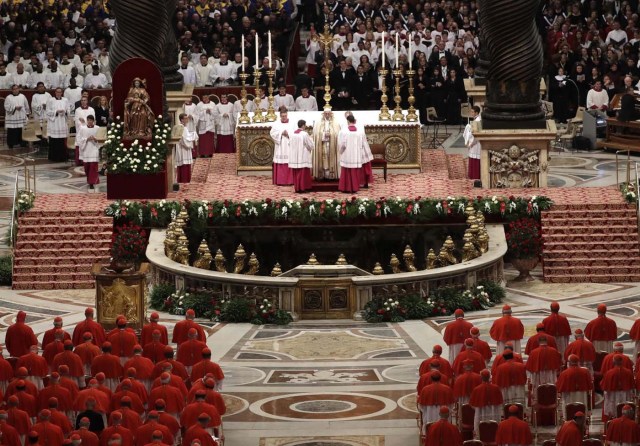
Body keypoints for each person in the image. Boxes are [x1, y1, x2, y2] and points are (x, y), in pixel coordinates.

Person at [601, 354, 635, 422]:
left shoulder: (609, 373)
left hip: (613, 397)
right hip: (625, 396)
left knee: (613, 413)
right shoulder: (628, 372)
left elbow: (605, 389)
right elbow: (632, 388)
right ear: (622, 362)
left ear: (613, 362)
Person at [338, 114, 367, 193]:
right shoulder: (360, 131)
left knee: (346, 171)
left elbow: (342, 144)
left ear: (347, 121)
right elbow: (362, 144)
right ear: (354, 121)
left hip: (347, 154)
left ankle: (345, 188)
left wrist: (340, 152)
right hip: (356, 155)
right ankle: (354, 187)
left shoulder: (343, 131)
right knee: (355, 171)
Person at [469, 369, 503, 435]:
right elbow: (500, 403)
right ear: (490, 377)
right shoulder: (496, 388)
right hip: (494, 413)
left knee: (481, 430)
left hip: (480, 413)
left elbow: (472, 405)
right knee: (494, 428)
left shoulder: (477, 389)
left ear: (481, 377)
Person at [312, 110, 341, 180]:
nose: (327, 115)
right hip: (322, 144)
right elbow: (316, 134)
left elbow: (338, 134)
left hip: (332, 144)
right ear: (323, 114)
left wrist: (331, 134)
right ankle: (322, 174)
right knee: (323, 158)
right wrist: (323, 134)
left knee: (330, 157)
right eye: (326, 113)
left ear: (331, 114)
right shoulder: (318, 123)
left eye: (329, 113)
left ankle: (332, 175)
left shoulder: (335, 123)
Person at [287, 119, 315, 193]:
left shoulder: (292, 133)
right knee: (303, 173)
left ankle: (297, 188)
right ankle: (302, 188)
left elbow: (289, 143)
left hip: (294, 157)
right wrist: (312, 139)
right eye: (305, 125)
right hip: (302, 156)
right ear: (303, 125)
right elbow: (310, 145)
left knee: (296, 173)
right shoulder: (304, 134)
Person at [270, 107, 294, 186]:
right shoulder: (276, 124)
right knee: (280, 161)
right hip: (280, 146)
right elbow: (272, 133)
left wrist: (288, 134)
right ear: (280, 116)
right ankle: (280, 180)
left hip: (289, 145)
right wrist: (281, 133)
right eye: (282, 116)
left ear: (287, 115)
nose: (284, 117)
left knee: (289, 161)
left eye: (285, 116)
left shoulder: (292, 123)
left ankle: (290, 180)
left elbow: (296, 133)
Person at [76, 115, 101, 190]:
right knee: (87, 167)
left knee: (93, 166)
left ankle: (92, 182)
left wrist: (95, 139)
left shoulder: (97, 128)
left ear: (93, 121)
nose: (90, 121)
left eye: (91, 120)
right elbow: (79, 138)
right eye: (88, 120)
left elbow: (101, 138)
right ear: (87, 121)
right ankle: (89, 179)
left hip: (94, 149)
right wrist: (87, 139)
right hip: (86, 149)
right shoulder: (83, 128)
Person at [46, 88, 70, 162]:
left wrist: (65, 112)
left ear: (62, 93)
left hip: (62, 122)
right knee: (54, 140)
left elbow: (68, 109)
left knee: (62, 141)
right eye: (57, 92)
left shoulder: (65, 100)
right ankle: (54, 157)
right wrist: (56, 112)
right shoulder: (51, 100)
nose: (59, 93)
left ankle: (63, 157)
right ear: (55, 92)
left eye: (60, 92)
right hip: (54, 123)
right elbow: (48, 111)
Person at [4, 85, 30, 149]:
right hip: (12, 117)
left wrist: (27, 113)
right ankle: (11, 144)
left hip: (21, 116)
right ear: (12, 90)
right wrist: (15, 108)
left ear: (19, 89)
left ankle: (22, 143)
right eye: (14, 89)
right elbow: (6, 106)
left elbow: (26, 105)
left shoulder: (22, 96)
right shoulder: (8, 97)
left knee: (21, 130)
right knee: (12, 131)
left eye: (16, 89)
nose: (15, 90)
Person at [174, 113, 197, 184]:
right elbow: (184, 140)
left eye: (187, 118)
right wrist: (193, 136)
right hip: (183, 149)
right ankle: (184, 180)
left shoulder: (184, 127)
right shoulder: (181, 128)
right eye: (186, 118)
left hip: (183, 149)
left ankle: (183, 180)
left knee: (185, 164)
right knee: (184, 164)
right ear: (182, 120)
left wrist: (192, 134)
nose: (187, 120)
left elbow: (186, 136)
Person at [463, 105, 481, 180]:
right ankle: (472, 175)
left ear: (476, 112)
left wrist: (470, 143)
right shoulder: (477, 119)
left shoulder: (477, 121)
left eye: (472, 112)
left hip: (476, 143)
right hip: (475, 143)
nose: (471, 113)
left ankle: (475, 176)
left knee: (475, 159)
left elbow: (475, 135)